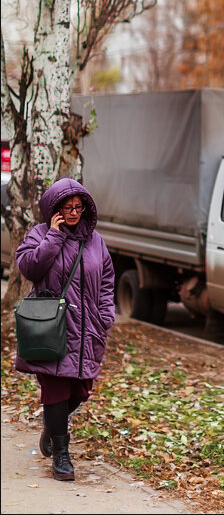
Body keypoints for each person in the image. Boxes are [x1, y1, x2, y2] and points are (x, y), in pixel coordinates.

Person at [15, 178, 115, 482]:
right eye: (67, 207)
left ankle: (52, 427)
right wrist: (54, 238)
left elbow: (107, 278)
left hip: (87, 329)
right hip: (51, 327)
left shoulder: (95, 240)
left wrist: (106, 315)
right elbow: (29, 267)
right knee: (56, 390)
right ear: (54, 209)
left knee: (81, 389)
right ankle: (61, 453)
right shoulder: (41, 234)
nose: (73, 213)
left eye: (78, 207)